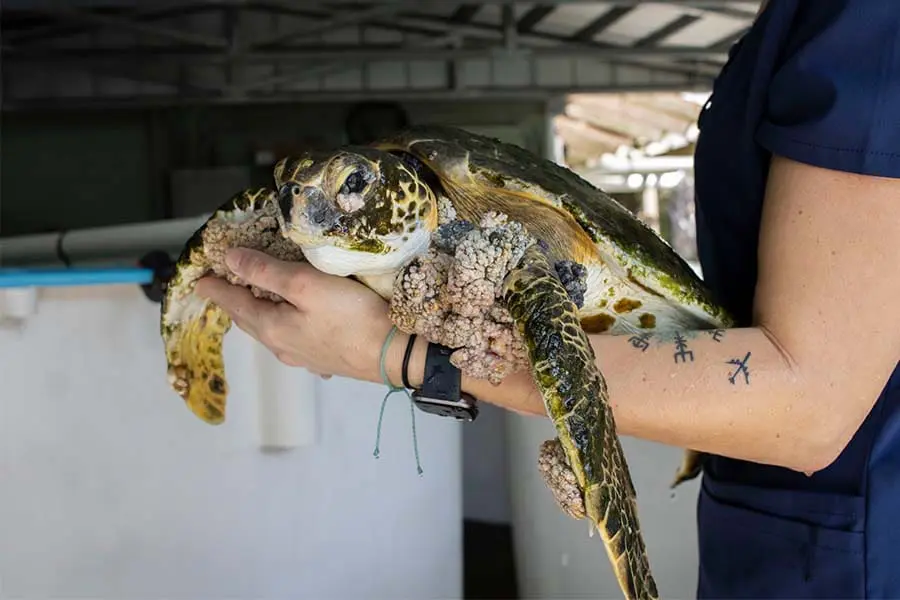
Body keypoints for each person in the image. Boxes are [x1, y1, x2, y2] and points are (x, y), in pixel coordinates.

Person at [195, 0, 900, 596]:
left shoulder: (868, 22)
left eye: (352, 188)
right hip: (775, 523)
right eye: (296, 193)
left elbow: (812, 403)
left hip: (854, 553)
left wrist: (397, 351)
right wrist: (193, 299)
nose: (303, 211)